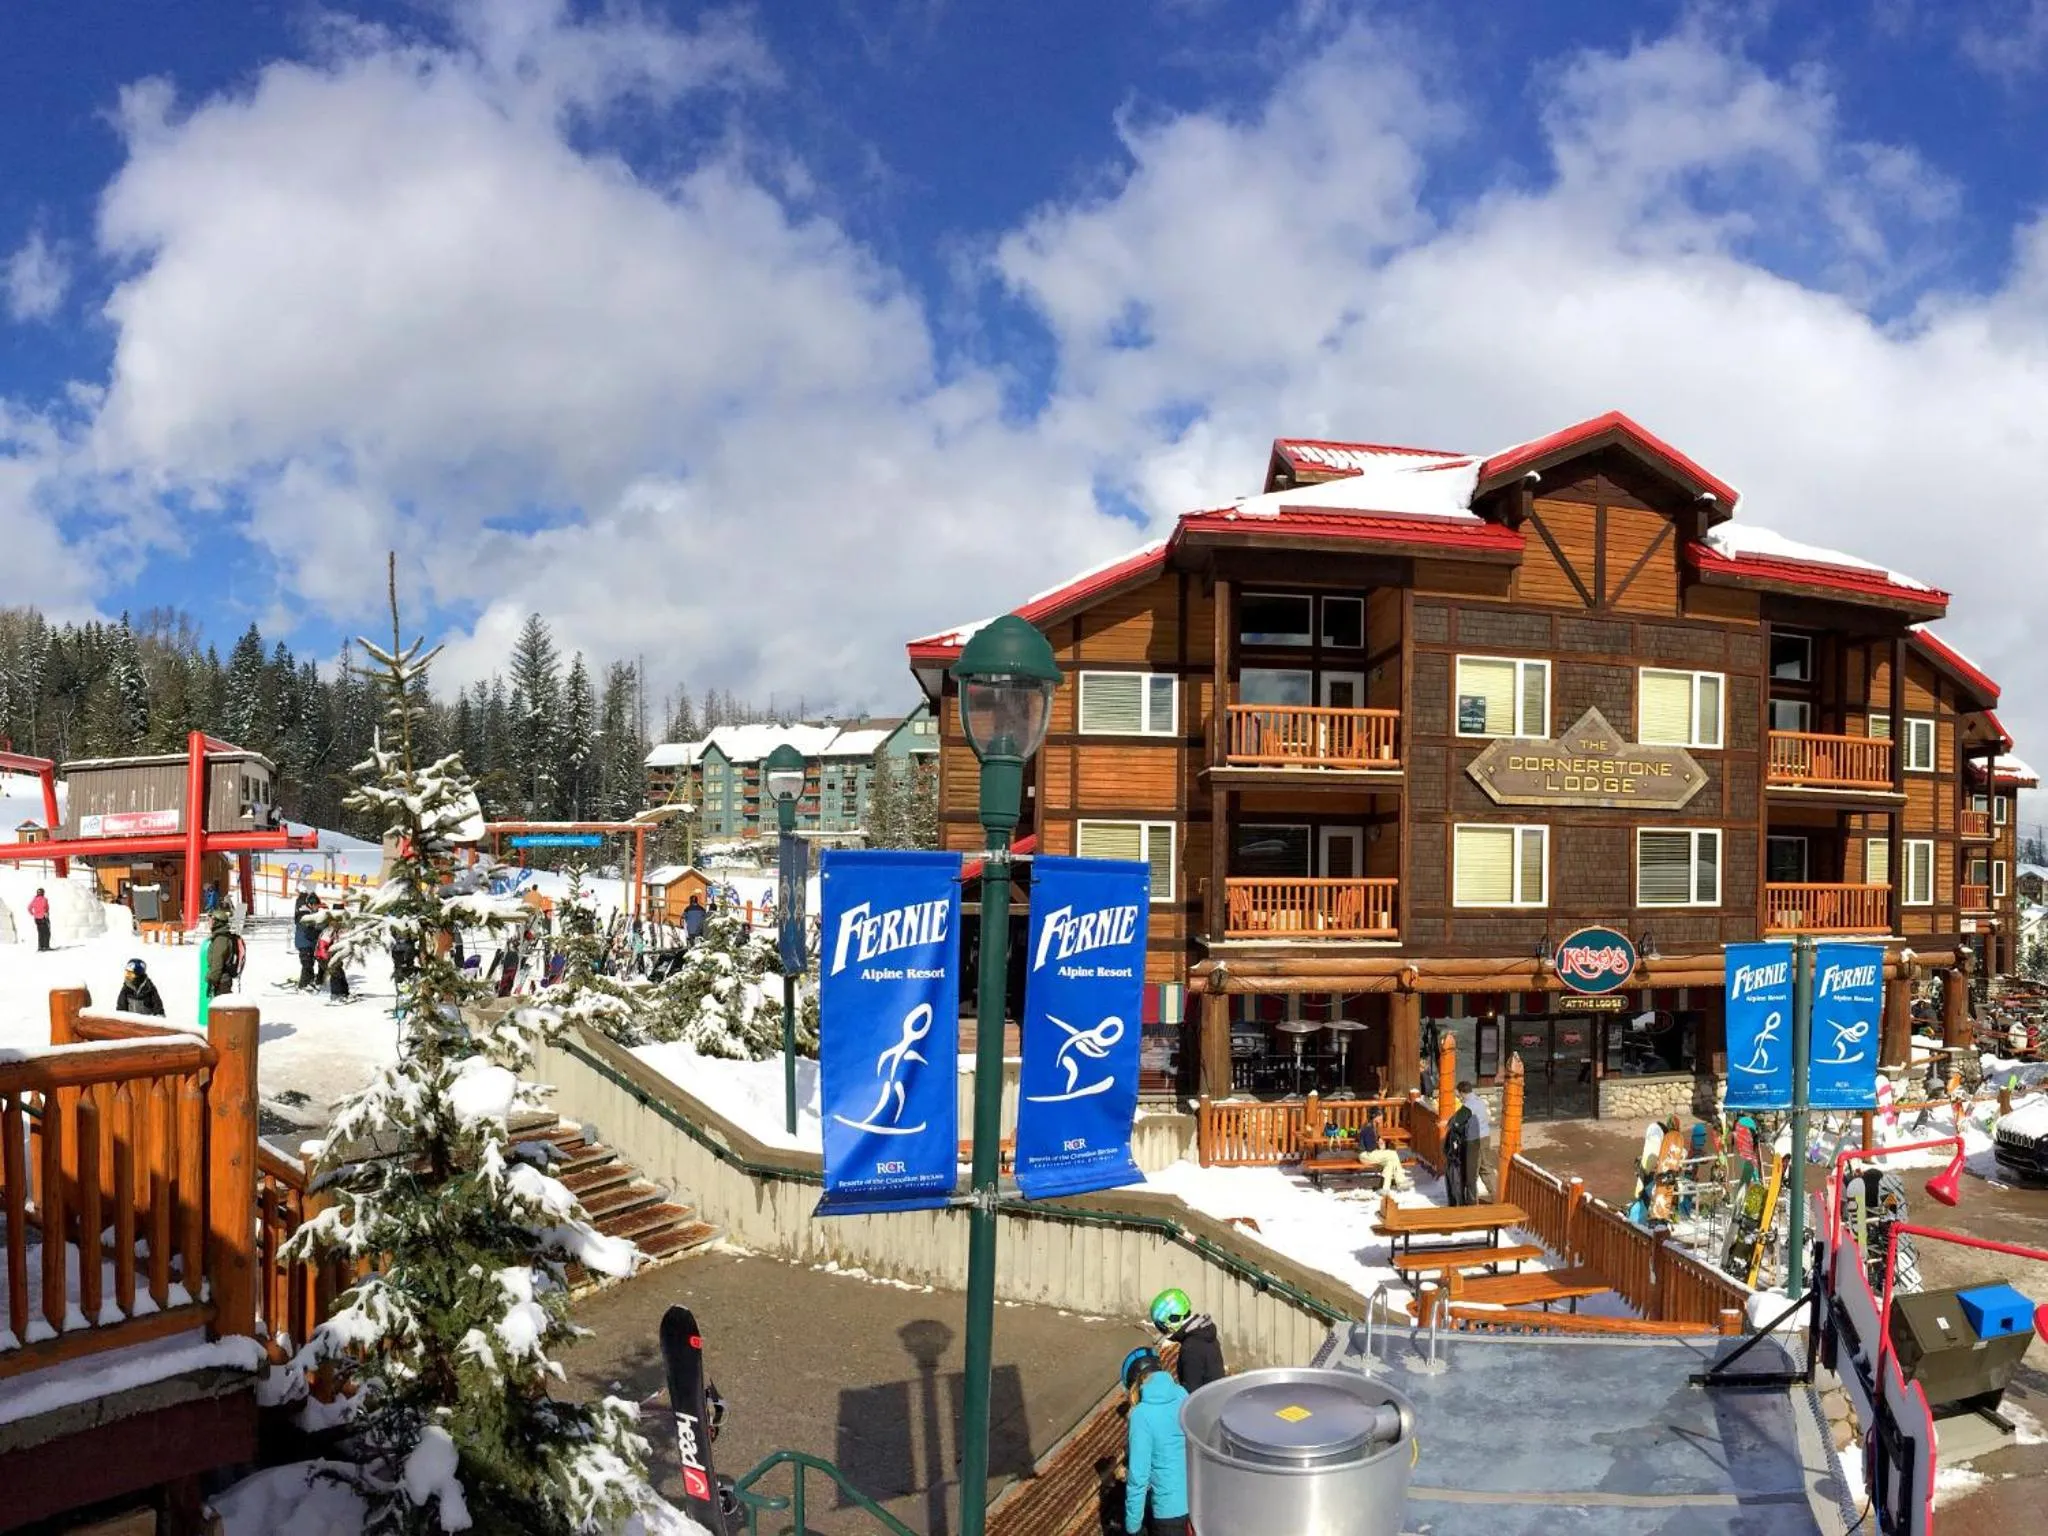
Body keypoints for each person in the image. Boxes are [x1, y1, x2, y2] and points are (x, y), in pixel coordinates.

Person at [1121, 1349, 1190, 1536]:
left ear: (1134, 1385)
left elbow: (1138, 1478)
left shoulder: (1141, 1415)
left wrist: (1133, 1527)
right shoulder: (1182, 1394)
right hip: (1198, 1499)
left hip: (1169, 1513)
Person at [1148, 1288, 1226, 1393]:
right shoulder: (1205, 1331)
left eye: (1161, 1326)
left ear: (1171, 1320)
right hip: (1218, 1394)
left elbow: (1191, 1392)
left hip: (1206, 1401)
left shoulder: (1191, 1347)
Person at [1355, 1111, 1411, 1192]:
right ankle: (1400, 1181)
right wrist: (1379, 1146)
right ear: (1375, 1117)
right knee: (1393, 1154)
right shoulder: (1368, 1128)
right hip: (1365, 1155)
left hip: (1370, 1154)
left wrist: (1379, 1139)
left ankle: (1385, 1188)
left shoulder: (1372, 1126)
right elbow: (1370, 1148)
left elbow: (1375, 1137)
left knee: (1390, 1162)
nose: (1381, 1118)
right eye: (1380, 1116)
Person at [1459, 1079, 1495, 1200]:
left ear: (1462, 1092)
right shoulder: (1480, 1101)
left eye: (1459, 1095)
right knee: (1486, 1168)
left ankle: (1472, 1200)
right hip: (1485, 1137)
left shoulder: (1467, 1106)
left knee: (1472, 1170)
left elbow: (1462, 1124)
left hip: (1474, 1141)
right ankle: (1498, 1196)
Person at [205, 911, 244, 997]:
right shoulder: (222, 937)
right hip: (223, 980)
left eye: (211, 920)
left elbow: (217, 962)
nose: (209, 923)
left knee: (222, 1004)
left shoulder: (221, 940)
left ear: (217, 922)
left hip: (221, 981)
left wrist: (211, 981)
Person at [295, 898, 322, 989]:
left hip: (308, 943)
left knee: (309, 963)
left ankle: (310, 981)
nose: (318, 908)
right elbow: (309, 932)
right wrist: (319, 931)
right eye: (316, 905)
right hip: (305, 943)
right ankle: (303, 985)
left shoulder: (309, 913)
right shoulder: (305, 915)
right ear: (311, 905)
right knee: (307, 964)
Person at [28, 886, 51, 951]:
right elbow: (46, 908)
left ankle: (40, 946)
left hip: (37, 919)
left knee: (40, 933)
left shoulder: (34, 900)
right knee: (47, 932)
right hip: (43, 918)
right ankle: (46, 946)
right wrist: (46, 914)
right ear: (43, 893)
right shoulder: (44, 899)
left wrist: (33, 914)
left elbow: (29, 908)